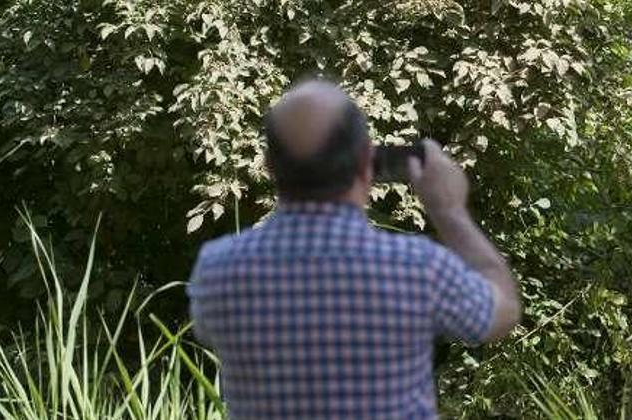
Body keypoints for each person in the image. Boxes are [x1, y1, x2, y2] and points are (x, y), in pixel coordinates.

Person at [187, 80, 521, 419]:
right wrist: (449, 211)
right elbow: (503, 311)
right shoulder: (418, 268)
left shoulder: (217, 270)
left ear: (269, 165)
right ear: (366, 161)